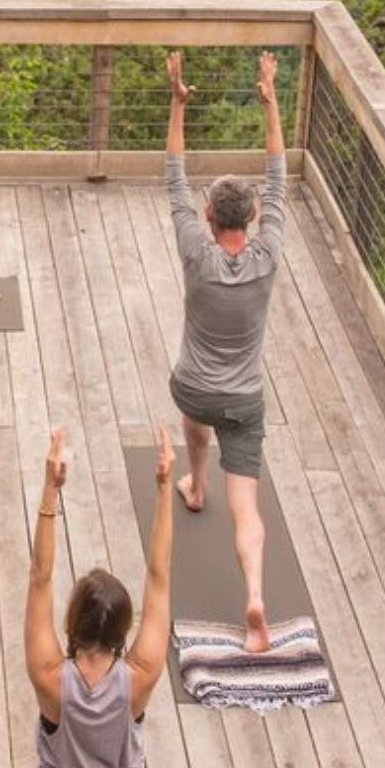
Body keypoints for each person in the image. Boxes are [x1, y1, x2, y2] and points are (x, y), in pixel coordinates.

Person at [163, 49, 287, 653]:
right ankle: (256, 597)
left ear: (209, 217)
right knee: (249, 512)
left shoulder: (195, 250)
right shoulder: (267, 258)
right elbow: (279, 171)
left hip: (193, 386)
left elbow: (174, 174)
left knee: (193, 414)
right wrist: (271, 100)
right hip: (244, 400)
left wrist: (177, 103)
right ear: (255, 217)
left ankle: (194, 480)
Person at [23, 425, 175, 768]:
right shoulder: (140, 676)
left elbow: (39, 578)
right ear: (123, 629)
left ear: (71, 623)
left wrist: (50, 490)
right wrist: (163, 489)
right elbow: (160, 577)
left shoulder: (48, 676)